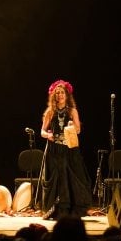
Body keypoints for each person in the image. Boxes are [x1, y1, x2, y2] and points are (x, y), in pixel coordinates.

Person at [39, 79, 92, 220]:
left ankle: (70, 209)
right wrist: (48, 135)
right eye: (57, 93)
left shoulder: (72, 111)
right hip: (54, 150)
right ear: (54, 96)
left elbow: (78, 130)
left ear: (67, 95)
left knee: (71, 177)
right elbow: (42, 131)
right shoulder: (50, 112)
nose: (60, 95)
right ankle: (57, 209)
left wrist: (72, 126)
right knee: (57, 177)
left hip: (69, 149)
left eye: (62, 92)